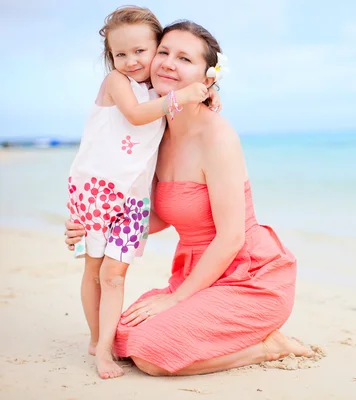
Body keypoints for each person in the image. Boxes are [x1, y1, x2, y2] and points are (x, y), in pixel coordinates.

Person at [64, 19, 313, 378]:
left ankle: (267, 346)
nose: (167, 63)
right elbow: (158, 215)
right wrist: (89, 226)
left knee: (151, 356)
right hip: (196, 273)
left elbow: (231, 237)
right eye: (163, 52)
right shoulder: (155, 132)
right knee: (120, 336)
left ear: (207, 78)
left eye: (184, 59)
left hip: (247, 276)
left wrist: (176, 299)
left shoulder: (217, 138)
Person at [67, 6, 222, 379]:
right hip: (95, 190)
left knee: (115, 275)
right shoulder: (116, 84)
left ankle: (106, 347)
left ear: (156, 48)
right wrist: (185, 97)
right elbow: (137, 115)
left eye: (141, 51)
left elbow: (176, 105)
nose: (131, 61)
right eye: (120, 54)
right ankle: (95, 339)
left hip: (133, 199)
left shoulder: (160, 93)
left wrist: (208, 94)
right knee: (93, 270)